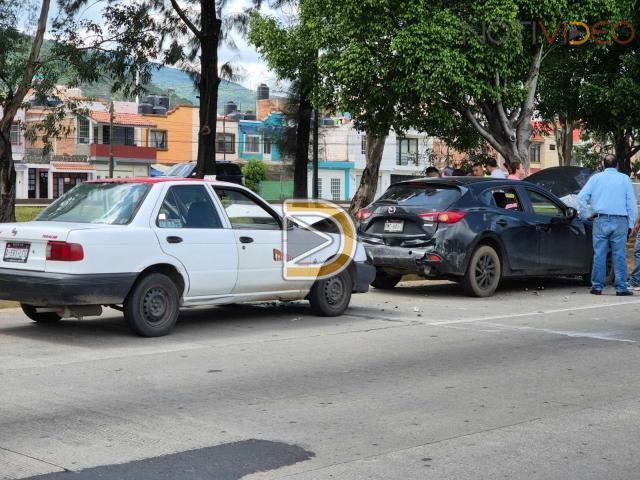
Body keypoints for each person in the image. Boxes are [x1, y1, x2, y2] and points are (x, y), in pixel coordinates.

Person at [578, 154, 637, 296]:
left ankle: (597, 286)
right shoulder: (624, 179)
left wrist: (587, 215)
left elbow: (581, 198)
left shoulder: (595, 178)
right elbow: (631, 204)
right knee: (619, 255)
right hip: (620, 221)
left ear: (603, 165)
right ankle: (621, 287)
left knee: (599, 254)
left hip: (601, 219)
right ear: (616, 165)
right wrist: (631, 224)